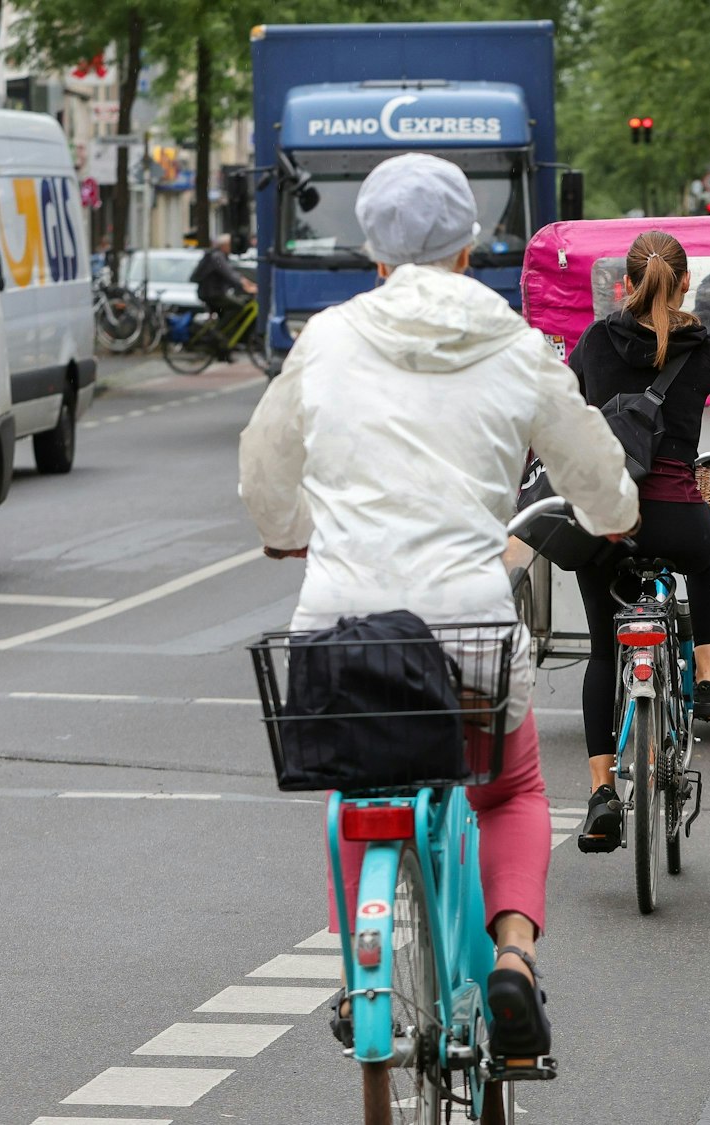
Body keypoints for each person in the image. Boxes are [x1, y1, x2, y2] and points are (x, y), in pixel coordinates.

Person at [238, 153, 639, 1055]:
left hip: (342, 631)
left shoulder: (329, 339)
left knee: (356, 789)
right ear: (470, 249)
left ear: (374, 255)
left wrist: (292, 528)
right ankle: (514, 958)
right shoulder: (513, 344)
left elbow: (264, 463)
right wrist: (614, 515)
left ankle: (358, 971)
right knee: (511, 787)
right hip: (468, 637)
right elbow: (593, 466)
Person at [565, 230, 710, 850]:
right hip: (677, 515)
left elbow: (562, 414)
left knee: (604, 650)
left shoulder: (596, 340)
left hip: (606, 522)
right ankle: (708, 681)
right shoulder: (704, 347)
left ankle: (602, 794)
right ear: (685, 284)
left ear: (623, 284)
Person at [191, 232, 257, 326]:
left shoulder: (215, 254)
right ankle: (222, 332)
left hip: (209, 293)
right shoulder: (217, 256)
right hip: (213, 293)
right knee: (239, 307)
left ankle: (222, 330)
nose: (231, 247)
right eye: (230, 244)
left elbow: (233, 273)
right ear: (225, 245)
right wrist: (246, 286)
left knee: (229, 308)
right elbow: (229, 274)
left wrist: (249, 284)